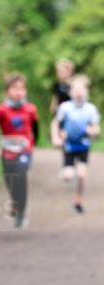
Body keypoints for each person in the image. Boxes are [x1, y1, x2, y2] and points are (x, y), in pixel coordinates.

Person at [0, 73, 39, 229]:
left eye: (21, 88)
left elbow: (35, 126)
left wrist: (35, 141)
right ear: (7, 92)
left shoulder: (30, 109)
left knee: (21, 176)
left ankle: (21, 214)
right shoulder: (1, 109)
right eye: (14, 88)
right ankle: (15, 202)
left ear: (25, 91)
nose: (18, 92)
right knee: (10, 180)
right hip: (8, 150)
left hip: (25, 149)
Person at [56, 74, 100, 214]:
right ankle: (67, 170)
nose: (79, 92)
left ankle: (79, 200)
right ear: (70, 92)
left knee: (81, 175)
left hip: (83, 145)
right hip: (69, 145)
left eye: (82, 89)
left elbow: (96, 127)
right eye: (75, 89)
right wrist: (57, 136)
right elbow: (57, 124)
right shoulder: (65, 107)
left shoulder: (90, 109)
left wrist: (94, 132)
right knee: (68, 176)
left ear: (87, 91)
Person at [49, 58, 75, 148]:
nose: (60, 74)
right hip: (61, 110)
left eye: (63, 71)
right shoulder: (57, 85)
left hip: (71, 109)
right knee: (55, 122)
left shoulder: (73, 84)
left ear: (69, 72)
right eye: (59, 72)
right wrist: (53, 105)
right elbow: (56, 96)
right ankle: (55, 139)